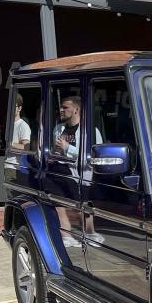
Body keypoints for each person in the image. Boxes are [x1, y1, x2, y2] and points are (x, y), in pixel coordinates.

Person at [51, 96, 104, 247]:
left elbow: (93, 156)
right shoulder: (58, 129)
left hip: (82, 175)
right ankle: (66, 236)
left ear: (76, 110)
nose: (61, 110)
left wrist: (67, 147)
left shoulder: (91, 131)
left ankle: (90, 233)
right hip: (62, 171)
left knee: (82, 207)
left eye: (65, 107)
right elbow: (56, 151)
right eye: (61, 107)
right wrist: (55, 154)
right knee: (58, 204)